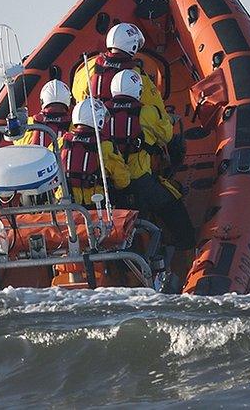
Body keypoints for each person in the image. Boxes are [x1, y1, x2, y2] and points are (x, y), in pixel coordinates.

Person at [106, 69, 195, 284]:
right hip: (143, 184)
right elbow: (166, 135)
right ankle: (189, 258)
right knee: (174, 206)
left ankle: (127, 275)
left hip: (113, 191)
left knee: (121, 234)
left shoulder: (100, 113)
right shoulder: (147, 112)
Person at [71, 22, 172, 145]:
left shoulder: (88, 68)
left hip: (97, 138)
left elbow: (78, 96)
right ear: (133, 46)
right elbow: (157, 108)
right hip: (128, 136)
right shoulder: (137, 76)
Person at [57, 98, 129, 207]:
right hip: (95, 207)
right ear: (98, 119)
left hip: (64, 206)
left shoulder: (60, 142)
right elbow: (123, 181)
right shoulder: (105, 147)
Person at [15, 80, 73, 147]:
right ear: (68, 100)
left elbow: (17, 140)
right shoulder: (73, 127)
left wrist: (19, 120)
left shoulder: (30, 124)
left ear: (42, 100)